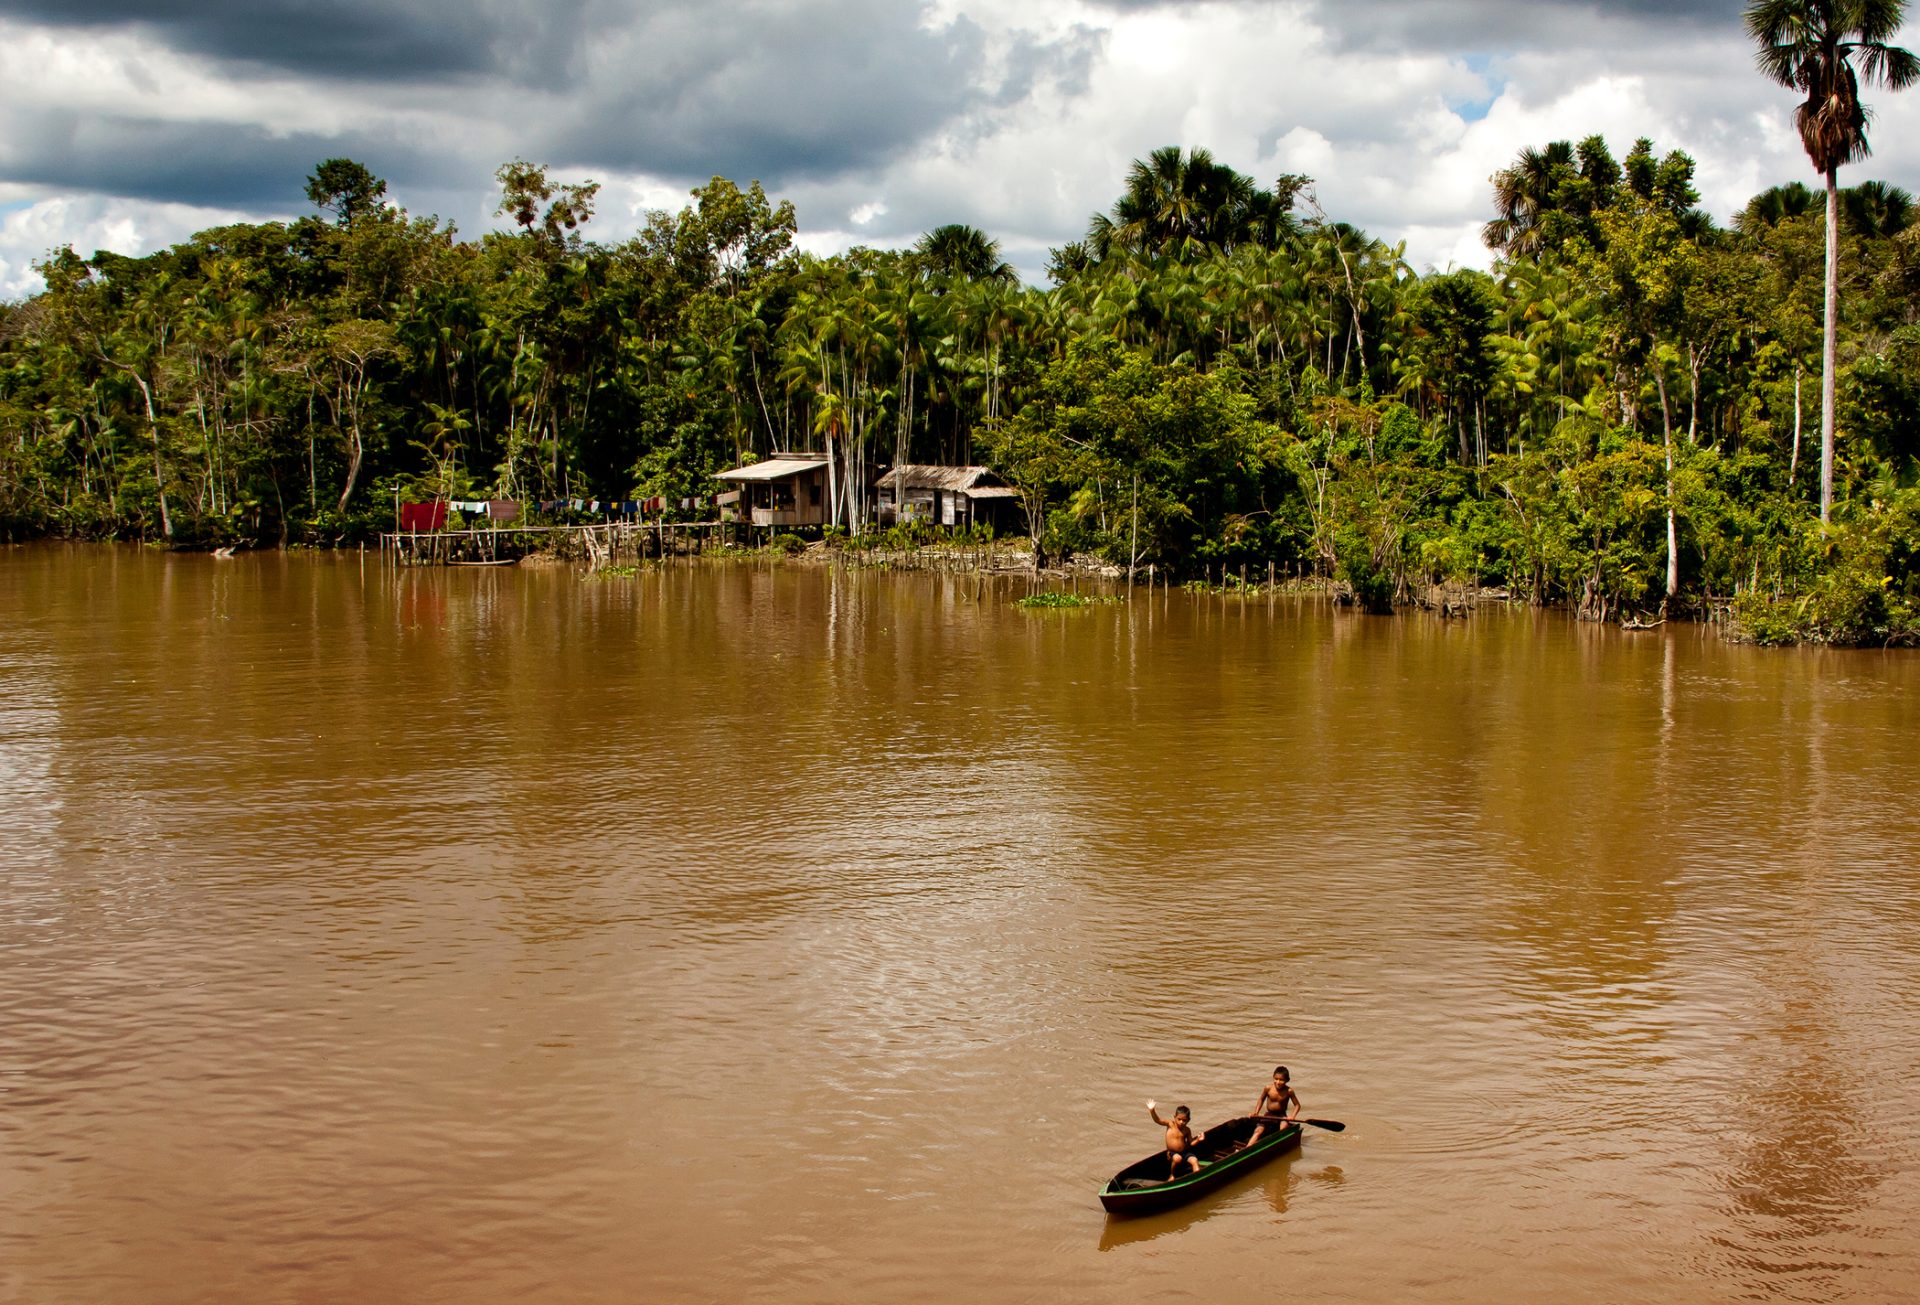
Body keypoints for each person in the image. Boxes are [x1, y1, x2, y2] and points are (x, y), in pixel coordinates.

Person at [1244, 1066, 1301, 1149]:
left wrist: (1292, 1116)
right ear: (1273, 1077)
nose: (1278, 1082)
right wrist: (1256, 1112)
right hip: (1269, 1114)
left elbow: (1297, 1105)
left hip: (1282, 1116)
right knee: (1258, 1131)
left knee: (1283, 1128)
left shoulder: (1289, 1091)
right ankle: (1247, 1148)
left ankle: (1279, 1145)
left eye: (1281, 1080)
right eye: (1276, 1079)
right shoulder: (1268, 1088)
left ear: (1287, 1080)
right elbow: (1261, 1099)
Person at [1147, 1100, 1205, 1179]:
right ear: (1174, 1117)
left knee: (1194, 1160)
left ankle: (1197, 1178)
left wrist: (1198, 1139)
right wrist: (1152, 1110)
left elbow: (1190, 1143)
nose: (1181, 1122)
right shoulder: (1170, 1124)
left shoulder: (1187, 1130)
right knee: (1178, 1158)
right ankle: (1172, 1174)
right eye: (1179, 1119)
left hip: (1184, 1152)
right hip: (1172, 1152)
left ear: (1188, 1120)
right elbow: (1158, 1120)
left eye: (1184, 1120)